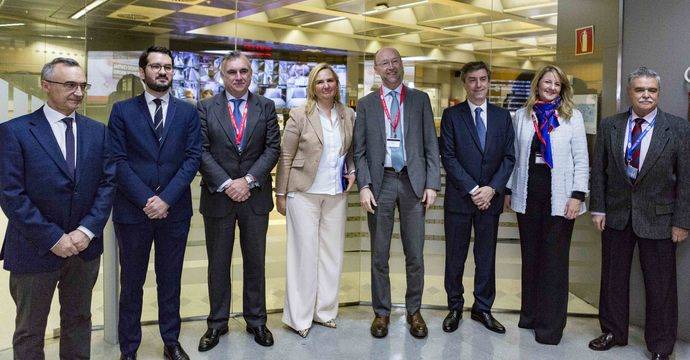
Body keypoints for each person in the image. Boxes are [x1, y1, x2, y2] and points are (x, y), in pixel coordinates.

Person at [0, 57, 115, 359]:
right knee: (30, 329)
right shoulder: (15, 132)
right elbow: (11, 194)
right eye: (70, 85)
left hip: (84, 248)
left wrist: (86, 231)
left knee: (79, 321)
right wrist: (54, 238)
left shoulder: (97, 131)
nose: (78, 92)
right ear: (46, 85)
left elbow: (107, 185)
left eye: (82, 85)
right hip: (34, 247)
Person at [588, 66, 690, 360]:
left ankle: (660, 346)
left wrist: (682, 221)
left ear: (658, 93)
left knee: (661, 286)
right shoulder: (610, 125)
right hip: (617, 215)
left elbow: (686, 179)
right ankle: (612, 332)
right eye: (640, 89)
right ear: (629, 92)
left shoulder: (679, 128)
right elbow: (600, 171)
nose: (646, 95)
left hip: (660, 219)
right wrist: (598, 207)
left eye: (652, 90)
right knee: (613, 278)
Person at [108, 46, 201, 360]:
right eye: (156, 66)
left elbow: (192, 159)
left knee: (170, 278)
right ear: (142, 71)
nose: (163, 72)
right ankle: (129, 348)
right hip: (133, 211)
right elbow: (117, 160)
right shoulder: (122, 110)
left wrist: (166, 199)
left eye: (168, 67)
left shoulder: (188, 111)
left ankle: (171, 341)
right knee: (132, 282)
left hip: (174, 211)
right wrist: (147, 199)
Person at [196, 51, 281, 351]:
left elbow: (272, 148)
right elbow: (201, 150)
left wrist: (247, 181)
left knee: (255, 262)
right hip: (219, 197)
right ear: (222, 75)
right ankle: (217, 323)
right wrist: (227, 183)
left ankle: (256, 321)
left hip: (254, 197)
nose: (238, 77)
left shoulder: (267, 107)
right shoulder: (205, 108)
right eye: (232, 71)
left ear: (251, 74)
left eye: (244, 71)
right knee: (217, 264)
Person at [354, 47, 440, 339]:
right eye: (384, 63)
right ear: (376, 70)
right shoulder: (366, 105)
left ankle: (414, 310)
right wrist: (363, 185)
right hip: (381, 183)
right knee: (379, 253)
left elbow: (431, 145)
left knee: (414, 252)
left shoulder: (419, 100)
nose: (390, 67)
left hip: (413, 182)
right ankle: (382, 312)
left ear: (401, 65)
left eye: (394, 61)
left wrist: (431, 184)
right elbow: (360, 151)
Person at [505, 65, 589, 344]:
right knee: (531, 259)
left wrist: (578, 195)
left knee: (554, 263)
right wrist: (508, 190)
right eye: (547, 82)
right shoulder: (521, 116)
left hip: (561, 199)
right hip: (528, 196)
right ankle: (530, 315)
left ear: (563, 88)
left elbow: (581, 159)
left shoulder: (571, 117)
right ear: (538, 84)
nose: (552, 87)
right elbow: (515, 157)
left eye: (557, 84)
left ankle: (550, 328)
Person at [275, 63, 356, 338]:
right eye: (320, 81)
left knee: (331, 254)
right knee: (303, 255)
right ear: (312, 86)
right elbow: (285, 156)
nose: (325, 86)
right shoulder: (299, 115)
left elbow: (352, 150)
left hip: (336, 193)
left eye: (330, 80)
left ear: (336, 85)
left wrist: (353, 171)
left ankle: (325, 312)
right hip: (303, 193)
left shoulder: (348, 115)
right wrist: (281, 193)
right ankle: (299, 318)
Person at [439, 61, 515, 335]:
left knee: (486, 257)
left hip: (490, 200)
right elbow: (447, 156)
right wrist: (473, 189)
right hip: (461, 200)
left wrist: (492, 189)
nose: (478, 85)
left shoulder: (502, 117)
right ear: (464, 83)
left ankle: (482, 308)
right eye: (472, 80)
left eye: (483, 79)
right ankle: (455, 306)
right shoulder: (451, 116)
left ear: (489, 82)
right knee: (455, 257)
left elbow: (509, 158)